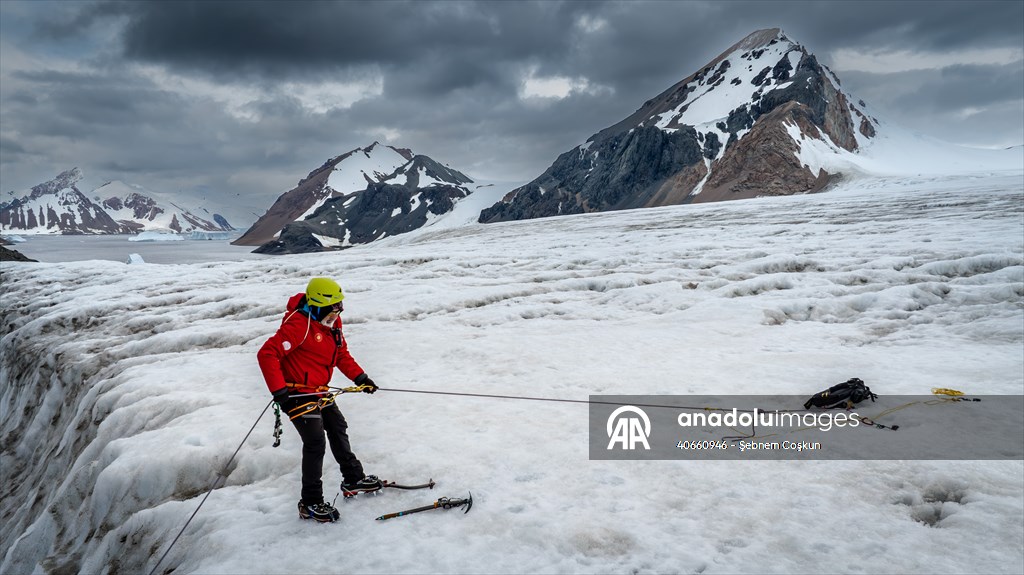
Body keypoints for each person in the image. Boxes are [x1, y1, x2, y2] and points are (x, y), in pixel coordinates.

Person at [258, 277, 380, 522]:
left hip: (319, 390)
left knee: (337, 427)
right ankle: (310, 502)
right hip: (296, 393)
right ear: (317, 304)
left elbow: (341, 354)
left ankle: (353, 479)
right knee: (315, 442)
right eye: (333, 308)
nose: (337, 313)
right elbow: (267, 353)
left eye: (340, 307)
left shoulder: (332, 322)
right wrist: (280, 393)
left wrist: (361, 378)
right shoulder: (299, 325)